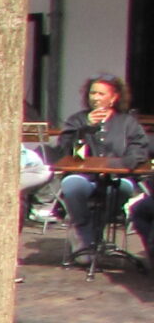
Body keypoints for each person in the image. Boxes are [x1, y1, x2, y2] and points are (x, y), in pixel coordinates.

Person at [55, 75, 152, 264]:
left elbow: (139, 150)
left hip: (117, 177)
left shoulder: (127, 123)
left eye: (101, 93)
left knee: (121, 189)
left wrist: (119, 165)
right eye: (92, 93)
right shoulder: (77, 120)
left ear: (114, 98)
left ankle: (93, 236)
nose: (96, 98)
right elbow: (65, 150)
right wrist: (85, 128)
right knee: (71, 184)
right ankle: (84, 234)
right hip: (84, 176)